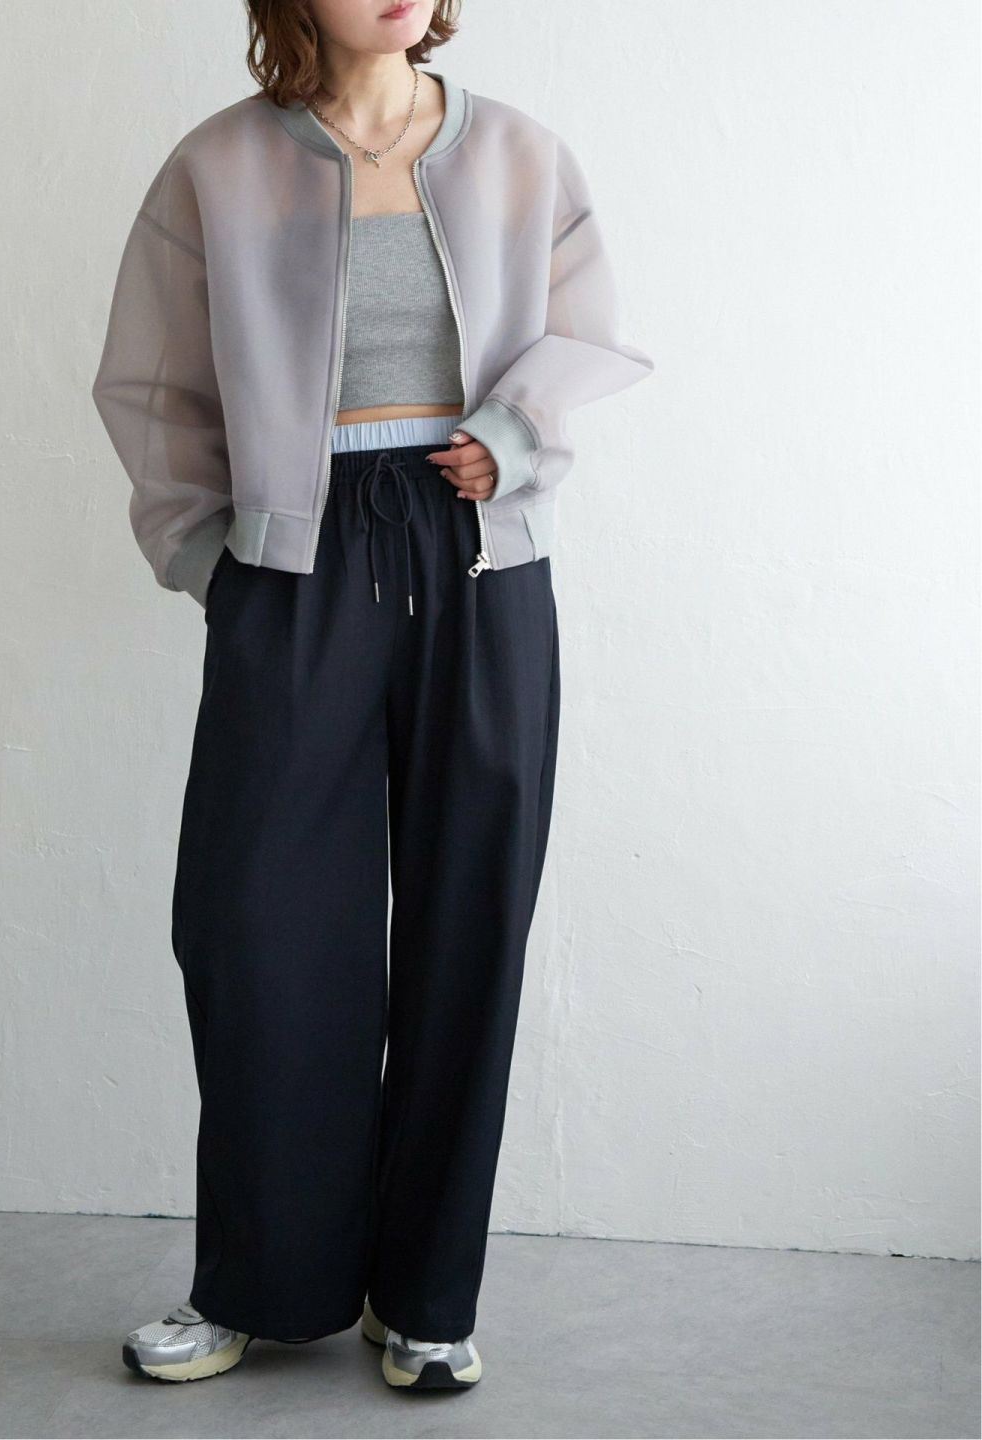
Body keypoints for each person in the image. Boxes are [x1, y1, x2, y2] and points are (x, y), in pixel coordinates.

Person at [91, 0, 653, 1393]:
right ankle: (259, 1282)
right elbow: (153, 385)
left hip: (479, 557)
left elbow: (585, 327)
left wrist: (514, 437)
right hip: (296, 561)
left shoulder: (518, 154)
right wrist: (215, 561)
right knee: (258, 926)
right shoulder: (220, 167)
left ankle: (425, 1300)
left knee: (471, 918)